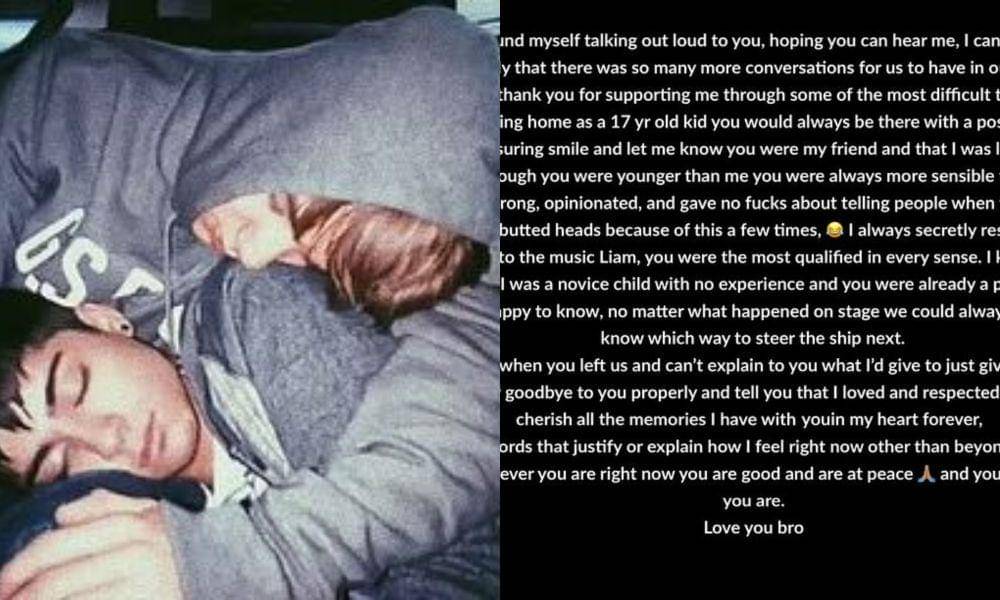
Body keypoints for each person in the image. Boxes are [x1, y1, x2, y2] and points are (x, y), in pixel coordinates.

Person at [0, 5, 500, 597]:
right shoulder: (74, 106)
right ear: (284, 119)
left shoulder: (402, 253)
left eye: (308, 258)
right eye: (284, 208)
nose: (258, 254)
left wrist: (256, 558)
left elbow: (470, 407)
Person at [0, 252, 499, 599]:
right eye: (60, 462)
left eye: (76, 387)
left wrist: (230, 566)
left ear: (105, 321)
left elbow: (471, 544)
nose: (110, 439)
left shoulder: (255, 316)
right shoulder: (156, 525)